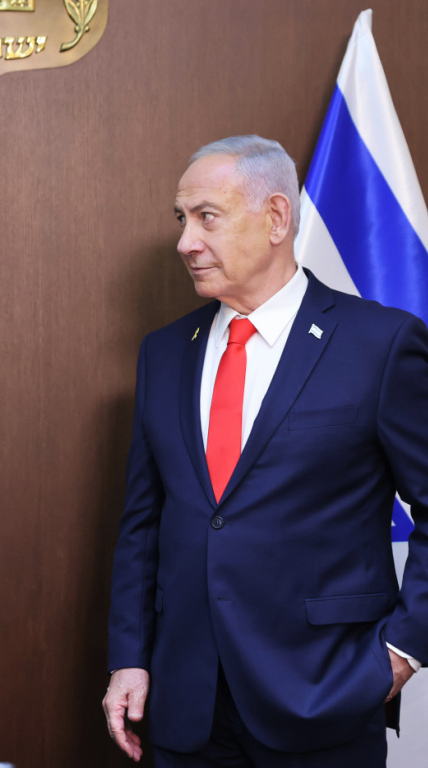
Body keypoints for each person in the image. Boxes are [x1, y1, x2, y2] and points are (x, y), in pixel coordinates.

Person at [102, 135, 428, 767]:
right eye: (181, 219)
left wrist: (402, 653)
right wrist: (129, 658)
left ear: (277, 217)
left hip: (324, 699)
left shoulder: (380, 345)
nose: (185, 242)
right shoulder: (163, 353)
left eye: (207, 217)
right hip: (184, 707)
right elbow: (143, 524)